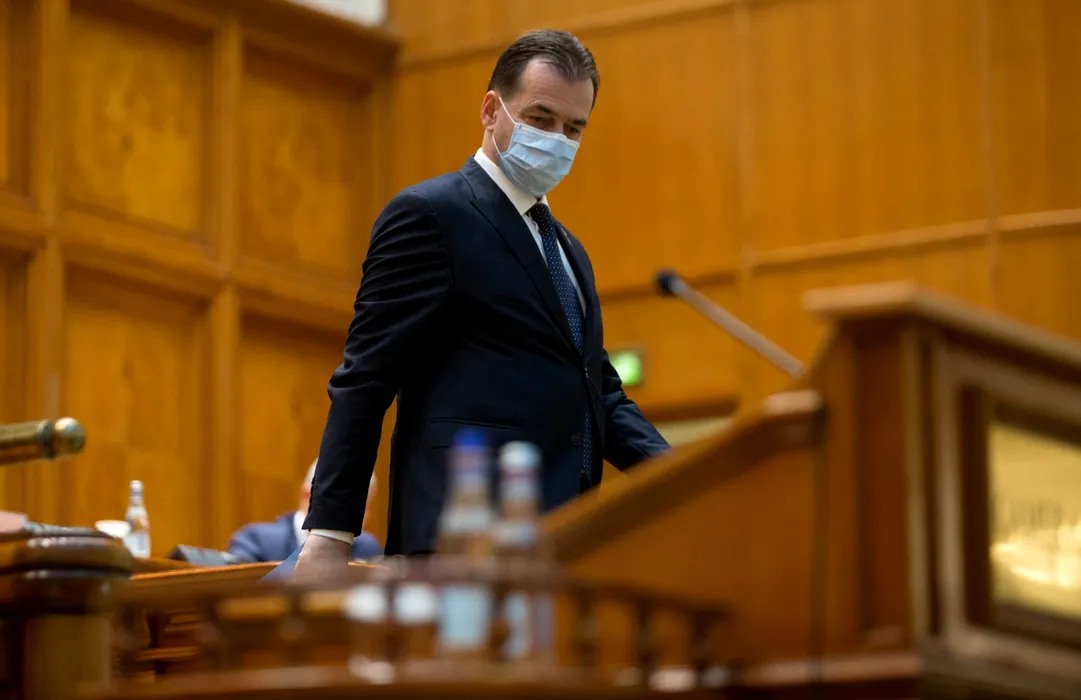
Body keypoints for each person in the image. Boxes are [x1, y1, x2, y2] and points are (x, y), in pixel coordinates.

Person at [296, 28, 669, 578]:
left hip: (561, 542)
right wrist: (330, 536)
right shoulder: (430, 214)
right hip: (459, 540)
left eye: (574, 129)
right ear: (492, 111)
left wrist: (683, 476)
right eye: (540, 118)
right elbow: (366, 377)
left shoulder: (569, 251)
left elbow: (599, 393)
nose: (557, 140)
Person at [228, 460, 381, 563]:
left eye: (360, 509)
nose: (347, 518)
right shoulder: (256, 541)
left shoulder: (367, 548)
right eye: (341, 506)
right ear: (307, 496)